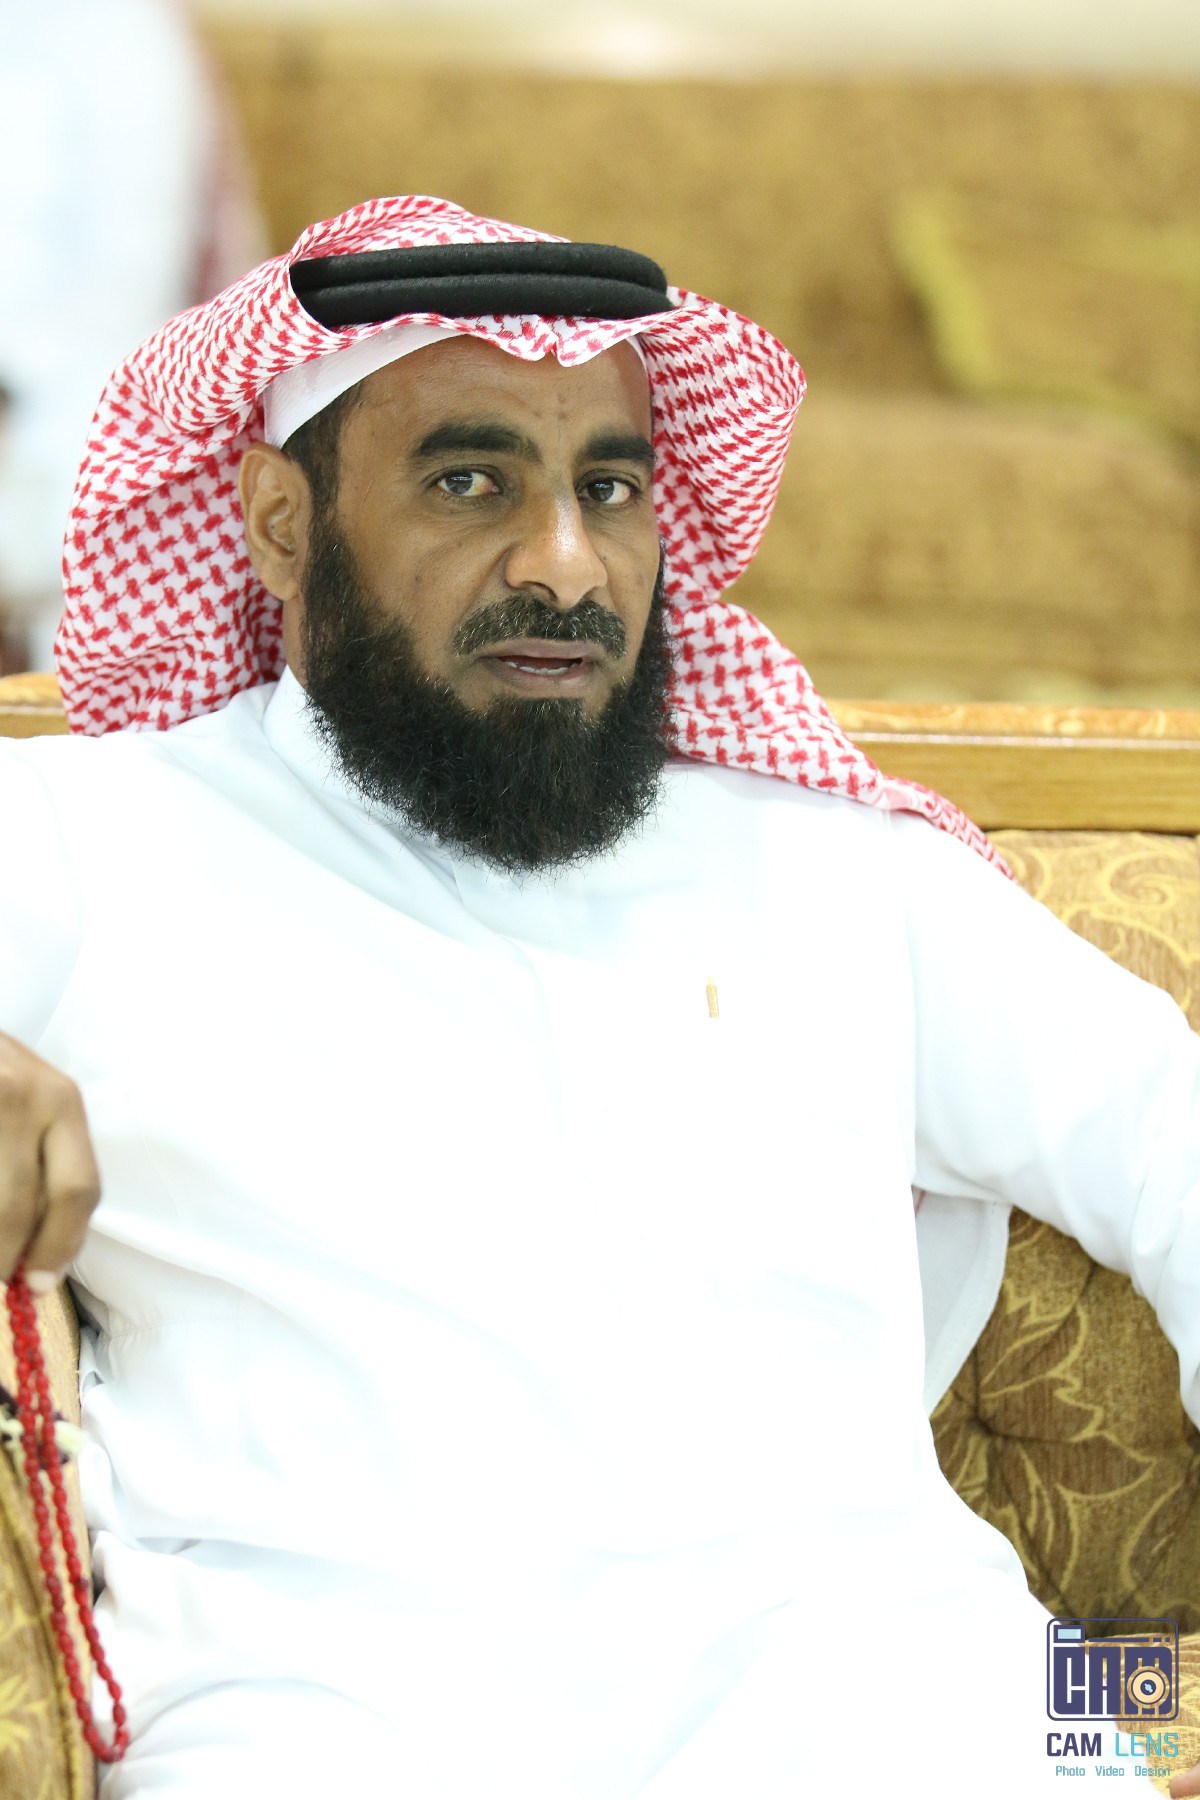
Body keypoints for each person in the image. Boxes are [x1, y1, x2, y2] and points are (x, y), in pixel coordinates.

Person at [1, 194, 1198, 1799]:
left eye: (610, 489)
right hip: (322, 1699)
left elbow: (1165, 1129)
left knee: (1054, 1743)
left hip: (868, 1667)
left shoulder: (832, 866)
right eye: (470, 481)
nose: (564, 565)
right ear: (280, 524)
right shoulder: (90, 842)